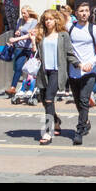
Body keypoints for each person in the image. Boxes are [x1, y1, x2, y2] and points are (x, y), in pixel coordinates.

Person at [66, 1, 96, 145]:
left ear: (89, 13)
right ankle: (86, 121)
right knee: (78, 101)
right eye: (81, 11)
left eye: (86, 11)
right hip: (73, 72)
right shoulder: (70, 28)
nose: (84, 13)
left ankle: (79, 130)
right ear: (76, 13)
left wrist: (92, 62)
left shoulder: (94, 30)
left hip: (89, 72)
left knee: (85, 100)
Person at [33, 9, 73, 145]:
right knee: (45, 101)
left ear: (56, 20)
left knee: (49, 99)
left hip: (57, 71)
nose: (48, 21)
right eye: (46, 19)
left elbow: (69, 53)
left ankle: (48, 132)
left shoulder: (63, 35)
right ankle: (56, 121)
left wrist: (79, 64)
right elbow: (37, 53)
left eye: (50, 19)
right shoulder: (41, 35)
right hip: (44, 72)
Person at [5, 5, 38, 96]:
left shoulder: (34, 22)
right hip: (20, 47)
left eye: (24, 13)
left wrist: (15, 39)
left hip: (30, 48)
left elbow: (30, 35)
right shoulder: (20, 21)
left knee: (32, 69)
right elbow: (18, 31)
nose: (23, 15)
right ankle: (13, 88)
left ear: (29, 13)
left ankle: (31, 87)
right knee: (18, 68)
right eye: (22, 13)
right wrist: (17, 33)